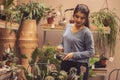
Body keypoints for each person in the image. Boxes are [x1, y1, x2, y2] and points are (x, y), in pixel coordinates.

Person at [57, 4, 95, 80]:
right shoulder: (68, 26)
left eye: (82, 18)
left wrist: (74, 55)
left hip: (80, 66)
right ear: (73, 15)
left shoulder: (86, 32)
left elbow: (91, 52)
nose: (79, 20)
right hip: (65, 63)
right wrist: (60, 46)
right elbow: (63, 43)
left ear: (86, 19)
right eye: (77, 16)